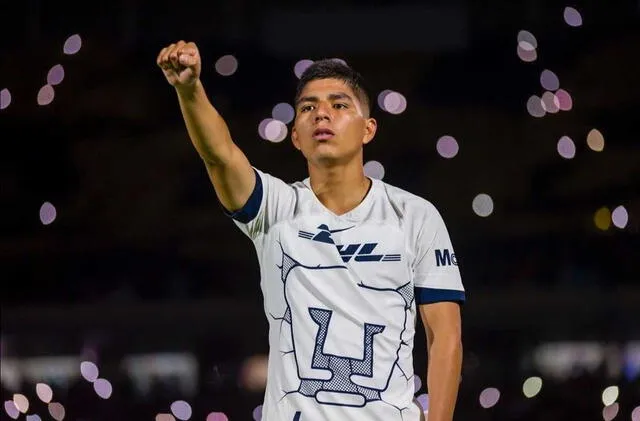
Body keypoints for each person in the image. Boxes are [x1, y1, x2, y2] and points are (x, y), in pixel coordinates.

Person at [157, 40, 465, 421]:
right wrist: (190, 90)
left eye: (339, 105)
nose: (322, 114)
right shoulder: (275, 210)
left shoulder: (415, 215)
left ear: (368, 129)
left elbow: (445, 337)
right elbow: (219, 155)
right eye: (308, 108)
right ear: (295, 135)